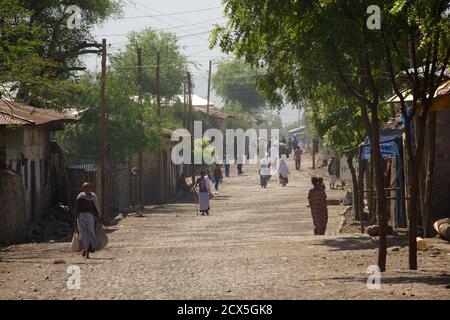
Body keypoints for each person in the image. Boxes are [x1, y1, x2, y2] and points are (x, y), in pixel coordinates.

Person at [74, 183, 102, 259]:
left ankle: (87, 251)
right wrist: (75, 221)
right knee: (83, 235)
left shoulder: (93, 197)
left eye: (88, 188)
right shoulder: (80, 197)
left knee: (90, 232)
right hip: (81, 217)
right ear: (83, 189)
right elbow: (77, 208)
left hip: (90, 217)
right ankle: (86, 250)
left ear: (91, 189)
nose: (87, 189)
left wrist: (98, 219)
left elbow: (96, 208)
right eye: (85, 188)